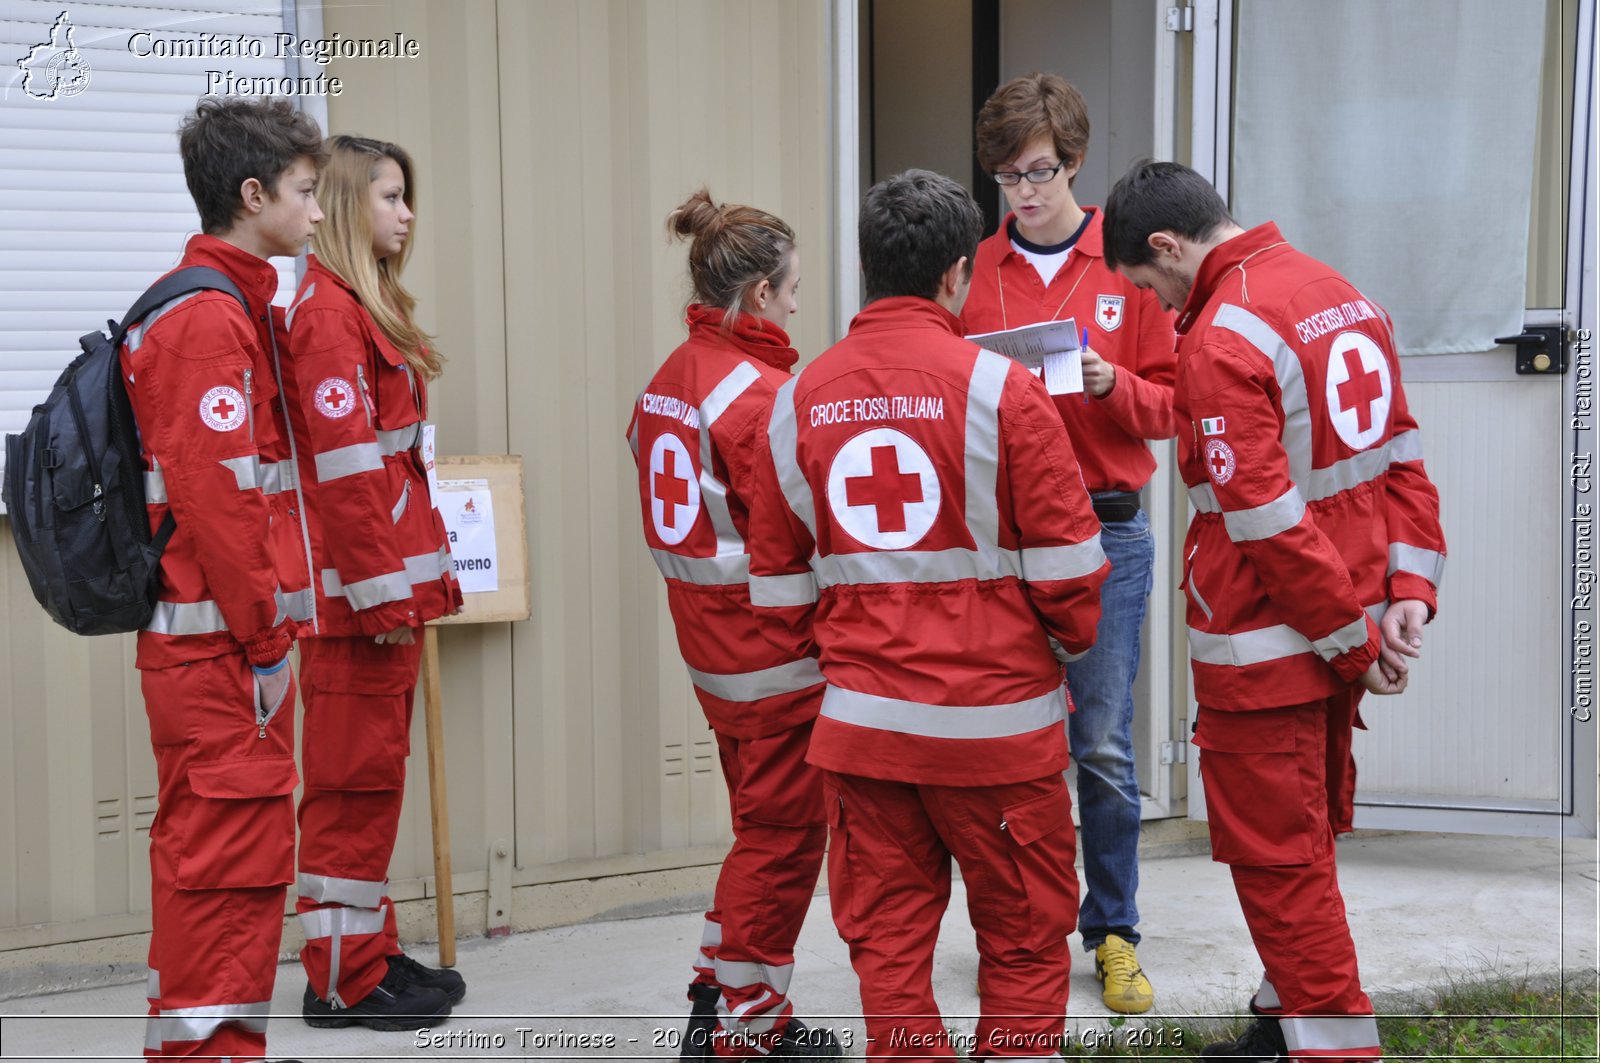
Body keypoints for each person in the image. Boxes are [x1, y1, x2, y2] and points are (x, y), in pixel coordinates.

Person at [746, 169, 1111, 1061]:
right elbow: (1070, 575)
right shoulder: (1003, 390)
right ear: (957, 274)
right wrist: (1053, 649)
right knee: (1024, 940)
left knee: (891, 951)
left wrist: (846, 667)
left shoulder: (795, 401)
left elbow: (778, 590)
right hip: (998, 731)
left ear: (867, 269)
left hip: (866, 734)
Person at [1102, 160, 1446, 1062]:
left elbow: (1266, 524)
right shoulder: (1338, 292)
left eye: (1147, 283)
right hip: (1346, 618)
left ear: (1167, 247)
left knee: (1279, 860)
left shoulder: (1219, 339)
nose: (1155, 301)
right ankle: (1279, 1017)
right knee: (1305, 837)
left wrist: (1349, 646)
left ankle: (1332, 1046)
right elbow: (1400, 458)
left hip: (1273, 647)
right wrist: (1407, 594)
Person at [961, 72, 1176, 1015]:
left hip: (1109, 532)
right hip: (1004, 543)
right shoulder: (974, 270)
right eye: (1007, 178)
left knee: (1101, 745)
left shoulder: (1128, 266)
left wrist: (1108, 386)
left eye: (1039, 172)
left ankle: (1116, 932)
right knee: (1008, 746)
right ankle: (1019, 932)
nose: (1025, 192)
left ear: (1075, 163)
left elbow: (1177, 406)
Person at [121, 95, 323, 1063]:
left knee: (225, 866)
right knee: (225, 872)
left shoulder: (228, 304)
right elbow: (221, 504)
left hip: (218, 648)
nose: (320, 212)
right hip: (219, 654)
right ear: (252, 195)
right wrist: (268, 640)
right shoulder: (206, 320)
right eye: (305, 191)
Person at [625, 190, 838, 1060]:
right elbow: (801, 535)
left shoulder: (668, 382)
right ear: (757, 295)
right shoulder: (762, 397)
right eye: (790, 289)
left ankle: (716, 989)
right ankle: (752, 1029)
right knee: (783, 843)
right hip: (775, 659)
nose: (796, 303)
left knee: (760, 829)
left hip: (714, 654)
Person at [281, 135, 463, 1031]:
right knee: (350, 789)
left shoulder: (362, 306)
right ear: (351, 206)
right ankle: (343, 980)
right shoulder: (326, 316)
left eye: (408, 196)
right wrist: (388, 595)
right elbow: (349, 480)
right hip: (362, 610)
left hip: (386, 600)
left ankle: (369, 953)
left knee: (372, 784)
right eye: (391, 197)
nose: (407, 212)